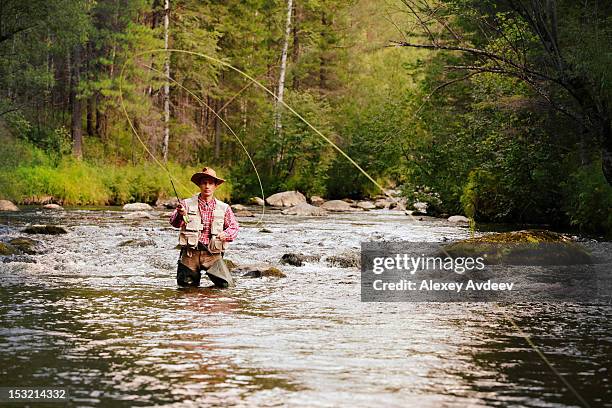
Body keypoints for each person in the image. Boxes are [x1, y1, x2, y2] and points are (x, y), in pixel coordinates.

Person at [169, 167, 239, 288]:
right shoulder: (185, 204)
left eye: (210, 183)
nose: (207, 186)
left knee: (226, 286)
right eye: (204, 183)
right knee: (186, 290)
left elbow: (234, 227)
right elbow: (174, 223)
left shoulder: (224, 208)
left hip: (213, 254)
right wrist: (180, 215)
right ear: (199, 185)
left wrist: (226, 234)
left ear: (215, 186)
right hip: (190, 254)